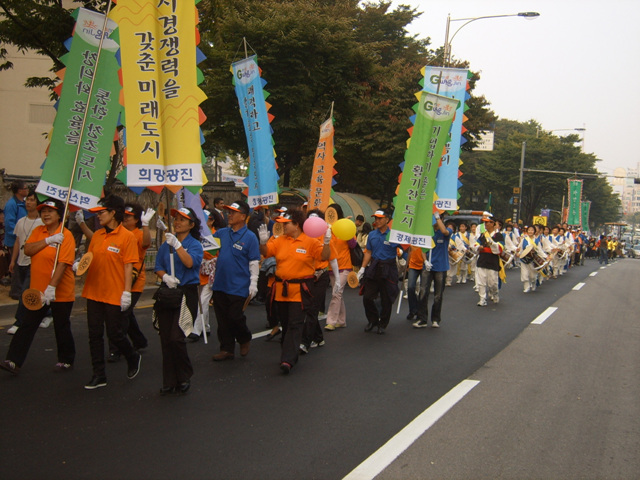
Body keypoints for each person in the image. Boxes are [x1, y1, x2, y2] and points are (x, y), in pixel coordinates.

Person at [0, 198, 76, 375]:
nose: (46, 214)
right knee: (27, 324)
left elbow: (63, 264)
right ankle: (13, 361)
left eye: (50, 211)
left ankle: (66, 359)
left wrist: (51, 287)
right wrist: (48, 240)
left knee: (61, 325)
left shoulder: (67, 235)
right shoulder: (38, 231)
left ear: (60, 215)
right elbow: (28, 250)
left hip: (60, 291)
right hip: (37, 291)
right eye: (43, 211)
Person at [258, 209, 330, 374]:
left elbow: (324, 256)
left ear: (296, 225)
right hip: (282, 291)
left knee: (295, 324)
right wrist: (262, 242)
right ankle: (288, 353)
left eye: (286, 223)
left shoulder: (310, 242)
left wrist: (326, 242)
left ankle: (287, 359)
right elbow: (266, 252)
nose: (282, 226)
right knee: (285, 323)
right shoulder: (280, 240)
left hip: (301, 290)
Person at [81, 195, 142, 390]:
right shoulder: (98, 235)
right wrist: (79, 265)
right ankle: (99, 374)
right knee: (94, 334)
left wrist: (126, 293)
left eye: (102, 212)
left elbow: (128, 266)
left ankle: (132, 356)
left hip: (115, 293)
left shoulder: (127, 237)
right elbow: (89, 258)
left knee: (115, 334)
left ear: (113, 213)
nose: (99, 216)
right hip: (94, 291)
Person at [154, 207, 203, 394]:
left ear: (191, 224)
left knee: (177, 337)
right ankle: (170, 380)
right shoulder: (166, 244)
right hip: (168, 291)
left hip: (186, 292)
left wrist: (177, 246)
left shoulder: (195, 244)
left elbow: (190, 263)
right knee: (165, 338)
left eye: (183, 219)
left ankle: (184, 374)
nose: (178, 222)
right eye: (176, 218)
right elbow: (158, 266)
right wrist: (165, 276)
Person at [210, 201, 260, 361]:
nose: (229, 215)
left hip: (239, 286)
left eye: (233, 212)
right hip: (220, 284)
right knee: (222, 320)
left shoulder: (250, 237)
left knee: (235, 317)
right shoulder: (222, 233)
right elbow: (207, 246)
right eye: (228, 212)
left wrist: (254, 283)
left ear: (243, 216)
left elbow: (253, 262)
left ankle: (244, 338)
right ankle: (227, 349)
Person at [105, 203, 154, 361]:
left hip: (134, 281)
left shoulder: (138, 234)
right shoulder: (118, 232)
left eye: (129, 216)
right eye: (124, 215)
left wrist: (146, 225)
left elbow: (146, 243)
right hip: (117, 278)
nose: (125, 218)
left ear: (137, 220)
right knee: (127, 313)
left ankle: (117, 348)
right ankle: (139, 340)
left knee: (122, 314)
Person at [300, 209, 338, 353]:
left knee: (313, 309)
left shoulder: (326, 237)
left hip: (321, 276)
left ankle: (305, 342)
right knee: (308, 309)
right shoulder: (303, 237)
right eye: (310, 218)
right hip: (306, 277)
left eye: (316, 219)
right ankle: (318, 337)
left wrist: (338, 281)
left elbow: (333, 259)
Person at [357, 209, 401, 334]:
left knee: (386, 299)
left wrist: (403, 253)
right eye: (375, 218)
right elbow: (368, 253)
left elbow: (403, 248)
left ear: (387, 219)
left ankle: (383, 324)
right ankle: (372, 320)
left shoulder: (393, 234)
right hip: (374, 267)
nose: (377, 221)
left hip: (389, 268)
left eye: (380, 218)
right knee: (367, 297)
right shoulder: (372, 235)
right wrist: (362, 268)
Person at [7, 189, 44, 335]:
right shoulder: (21, 221)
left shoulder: (41, 223)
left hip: (33, 263)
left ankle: (18, 322)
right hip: (20, 262)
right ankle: (46, 314)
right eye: (27, 200)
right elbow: (17, 241)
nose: (28, 202)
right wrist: (13, 260)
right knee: (26, 292)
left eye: (32, 200)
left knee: (24, 293)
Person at [412, 212, 452, 328]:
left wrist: (437, 216)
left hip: (441, 267)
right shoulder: (427, 232)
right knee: (423, 292)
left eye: (436, 219)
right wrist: (425, 261)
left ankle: (436, 319)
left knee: (438, 295)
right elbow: (423, 249)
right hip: (428, 267)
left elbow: (444, 231)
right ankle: (422, 319)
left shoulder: (447, 231)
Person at [325, 204, 354, 331]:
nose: (330, 216)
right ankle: (341, 321)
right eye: (328, 214)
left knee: (336, 293)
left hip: (345, 266)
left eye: (333, 214)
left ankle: (331, 321)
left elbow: (353, 245)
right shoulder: (326, 228)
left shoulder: (345, 226)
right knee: (338, 294)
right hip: (331, 267)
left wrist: (347, 229)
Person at [4, 180, 28, 299]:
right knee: (16, 267)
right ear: (19, 191)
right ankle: (15, 292)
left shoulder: (22, 203)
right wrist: (20, 234)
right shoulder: (11, 205)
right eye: (25, 188)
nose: (27, 190)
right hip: (15, 241)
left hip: (23, 240)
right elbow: (9, 225)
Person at [474, 216, 504, 306]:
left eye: (488, 222)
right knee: (481, 282)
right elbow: (476, 243)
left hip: (493, 261)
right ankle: (482, 299)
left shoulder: (498, 235)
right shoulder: (483, 235)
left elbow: (500, 248)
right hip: (482, 260)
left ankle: (495, 294)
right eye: (485, 222)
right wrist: (478, 247)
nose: (486, 224)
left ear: (493, 224)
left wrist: (491, 243)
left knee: (493, 283)